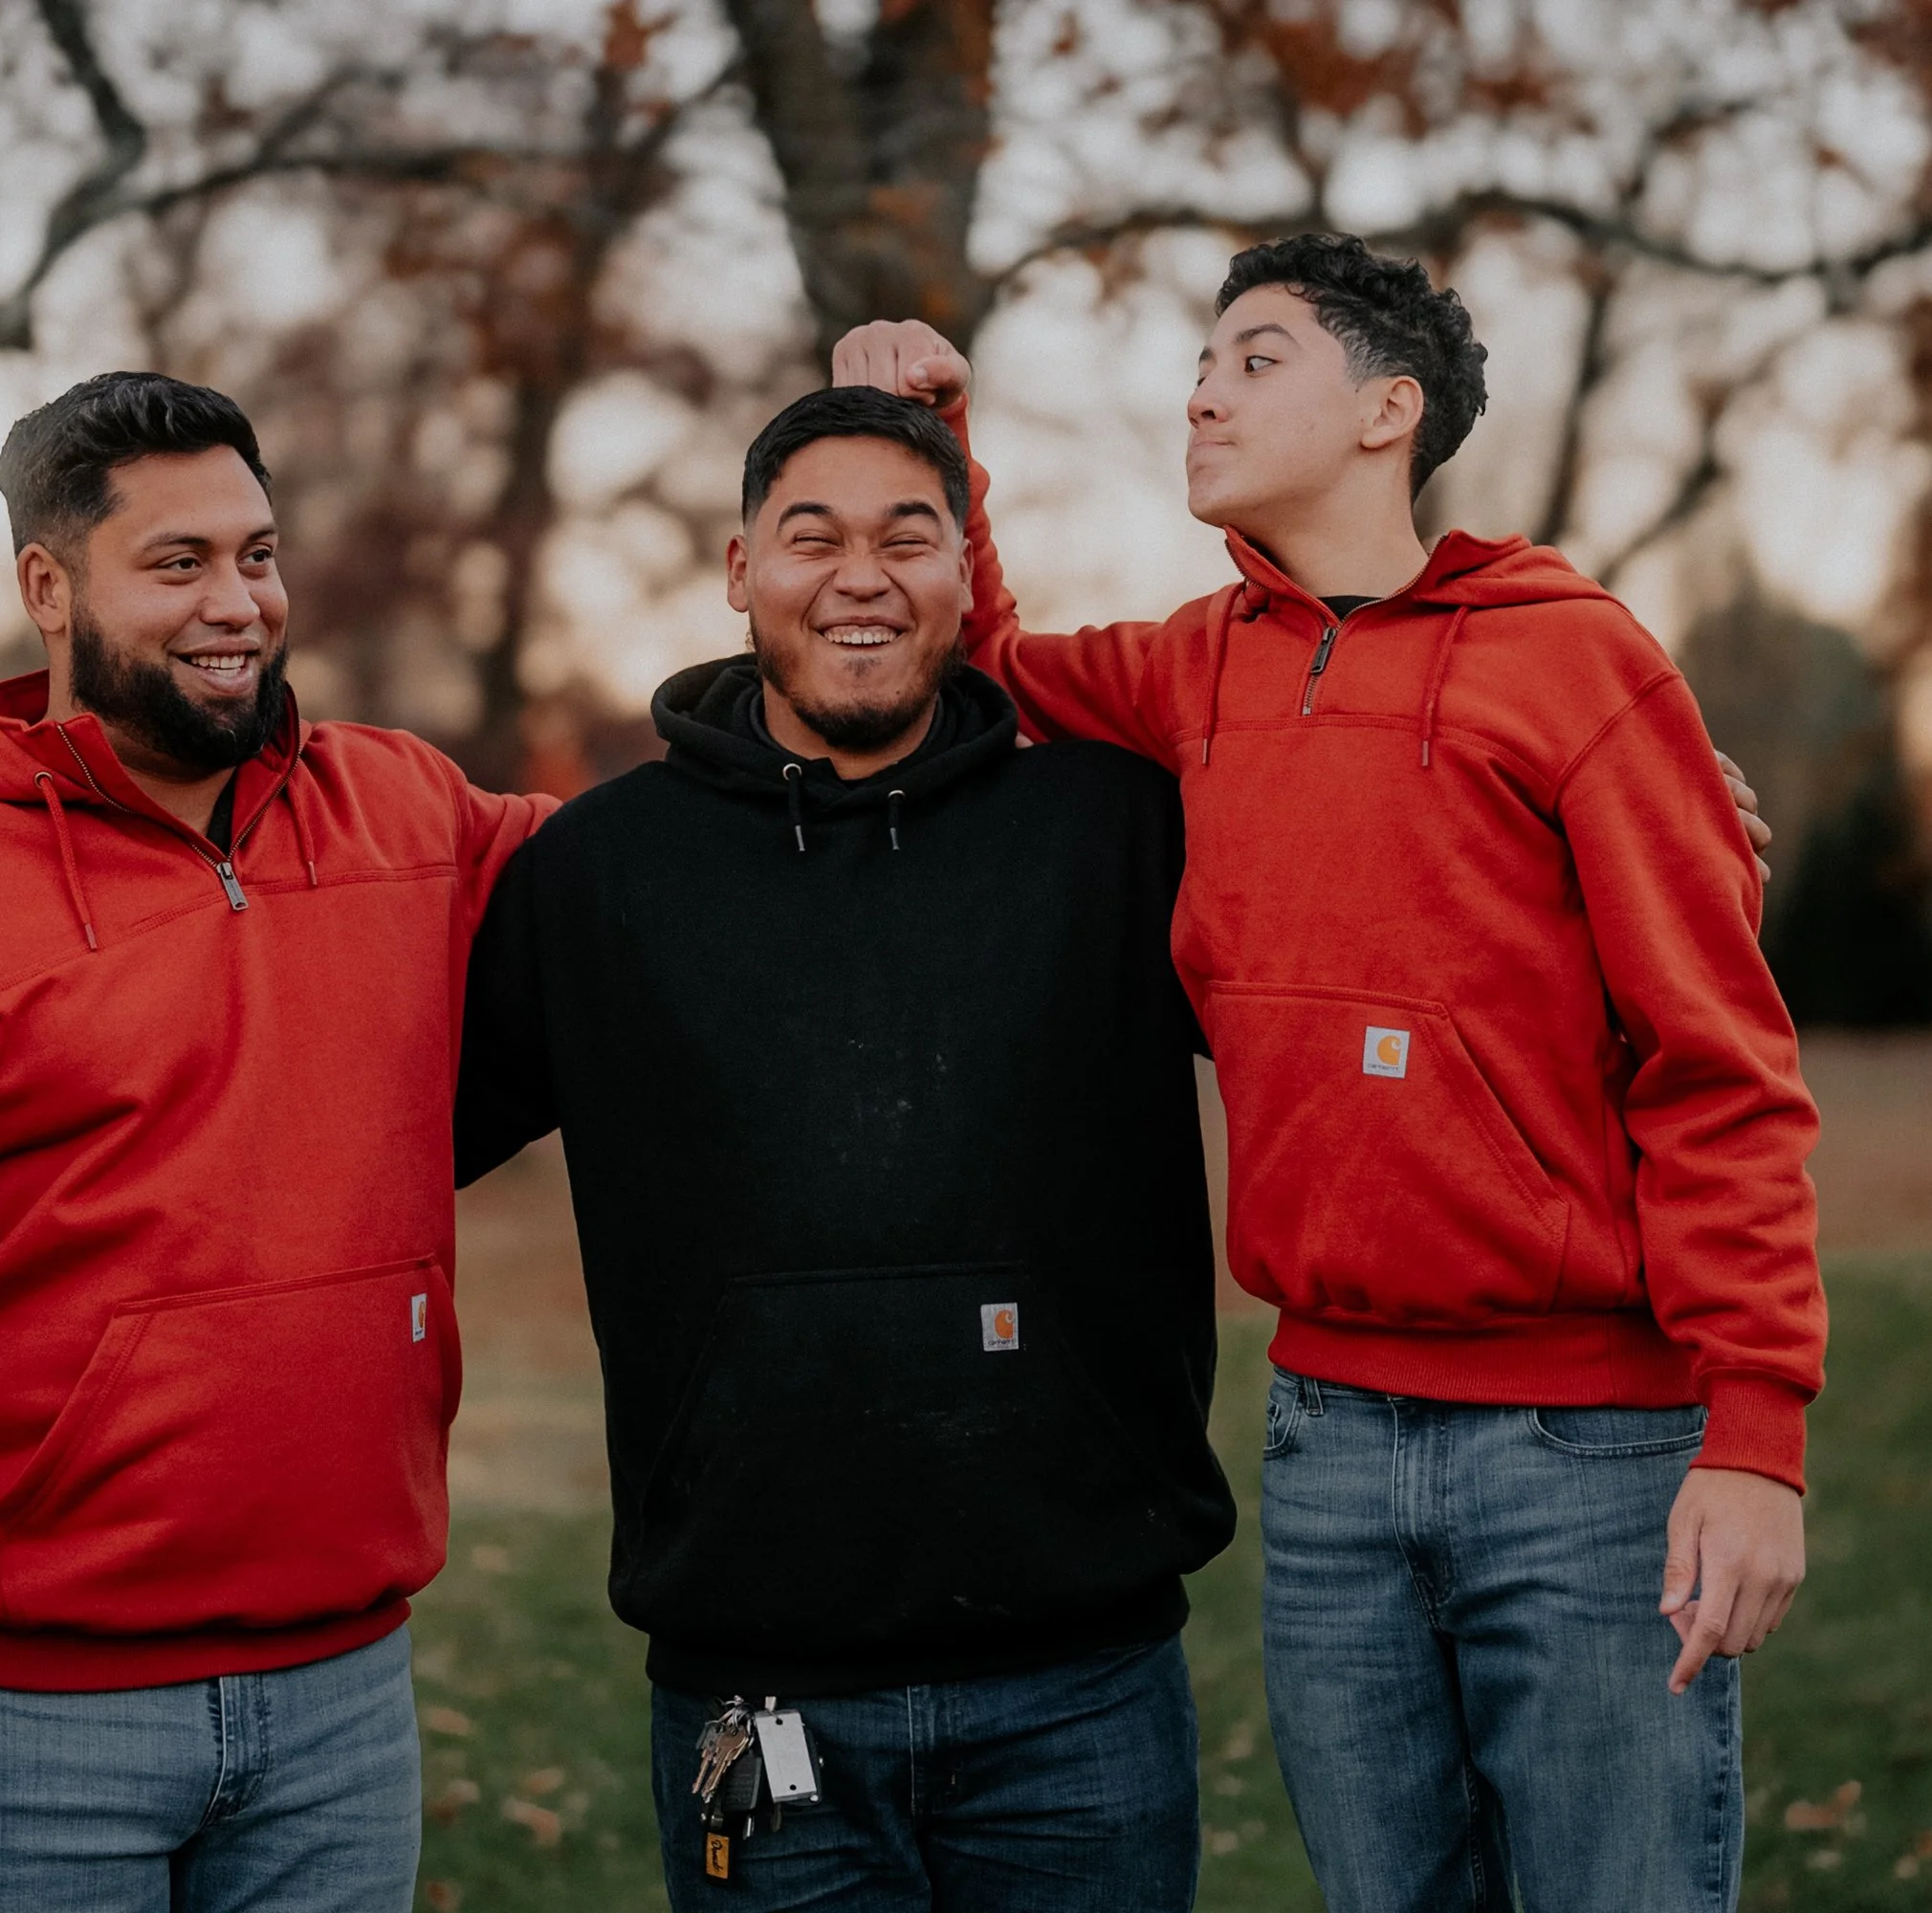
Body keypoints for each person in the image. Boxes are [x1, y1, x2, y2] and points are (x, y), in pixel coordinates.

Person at [833, 234, 1826, 1913]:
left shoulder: (1576, 661)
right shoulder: (1197, 667)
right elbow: (989, 673)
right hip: (1329, 1449)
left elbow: (1717, 1061)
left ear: (1390, 409)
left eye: (1255, 357)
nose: (1202, 391)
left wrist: (1757, 1434)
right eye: (1200, 364)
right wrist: (936, 448)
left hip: (1584, 1455)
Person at [0, 371, 547, 1911]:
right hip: (1, 1729)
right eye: (179, 563)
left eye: (256, 555)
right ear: (49, 591)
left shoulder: (403, 818)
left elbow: (667, 873)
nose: (238, 605)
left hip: (342, 1702)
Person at [455, 384, 1235, 1913]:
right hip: (760, 1696)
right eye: (812, 535)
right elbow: (374, 1137)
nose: (861, 574)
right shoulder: (600, 876)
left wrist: (1630, 841)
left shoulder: (1122, 832)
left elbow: (1376, 968)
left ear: (966, 571)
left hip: (1084, 1686)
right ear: (742, 570)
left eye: (909, 535)